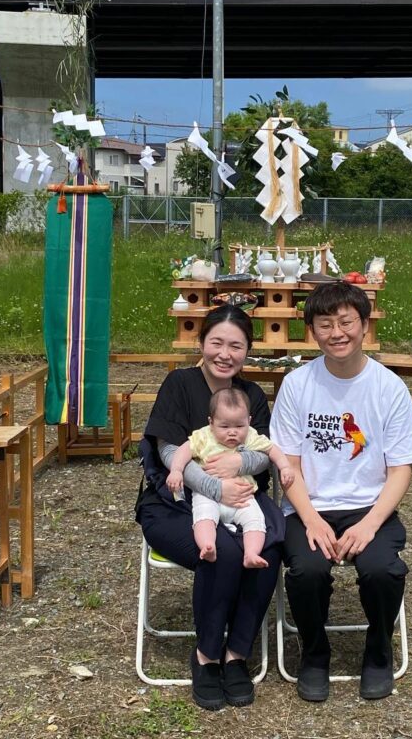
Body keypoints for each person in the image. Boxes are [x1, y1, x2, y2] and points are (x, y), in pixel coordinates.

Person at [270, 281, 412, 702]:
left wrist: (370, 524)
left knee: (382, 570)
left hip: (370, 507)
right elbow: (290, 467)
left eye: (346, 322)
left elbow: (401, 468)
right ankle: (314, 655)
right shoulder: (297, 384)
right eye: (325, 324)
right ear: (312, 331)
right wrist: (311, 519)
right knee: (306, 570)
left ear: (364, 325)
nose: (337, 333)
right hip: (308, 506)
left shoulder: (388, 387)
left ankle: (378, 653)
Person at [135, 305, 283, 711]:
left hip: (244, 498)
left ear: (247, 351)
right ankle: (207, 655)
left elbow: (266, 452)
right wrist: (215, 488)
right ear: (201, 343)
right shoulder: (179, 385)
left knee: (270, 543)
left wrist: (240, 463)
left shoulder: (250, 395)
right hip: (175, 503)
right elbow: (167, 450)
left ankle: (237, 653)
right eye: (216, 342)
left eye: (236, 345)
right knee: (224, 551)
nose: (225, 353)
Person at [166, 386, 295, 568]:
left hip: (243, 495)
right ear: (211, 422)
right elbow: (183, 450)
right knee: (203, 517)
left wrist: (285, 467)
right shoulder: (204, 436)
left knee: (256, 520)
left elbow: (272, 449)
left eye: (239, 426)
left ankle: (251, 553)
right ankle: (207, 545)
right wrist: (176, 470)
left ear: (249, 421)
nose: (232, 432)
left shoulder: (250, 436)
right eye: (224, 426)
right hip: (208, 493)